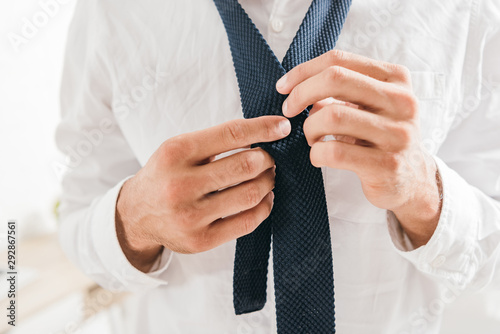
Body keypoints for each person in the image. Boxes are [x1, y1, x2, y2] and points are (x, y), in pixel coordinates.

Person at [56, 0, 500, 333]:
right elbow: (78, 219)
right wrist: (134, 219)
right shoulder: (110, 11)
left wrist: (425, 193)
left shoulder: (466, 11)